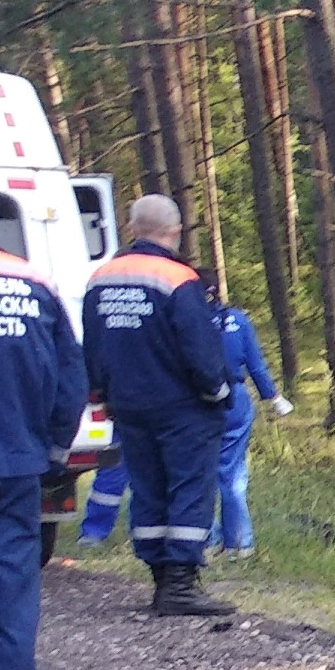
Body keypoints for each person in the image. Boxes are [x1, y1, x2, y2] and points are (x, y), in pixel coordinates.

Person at [0, 170, 87, 670]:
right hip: (11, 477)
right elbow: (68, 378)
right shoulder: (31, 282)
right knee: (5, 624)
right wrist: (49, 456)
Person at [81, 194, 235, 616]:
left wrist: (100, 393)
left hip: (128, 406)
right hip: (181, 407)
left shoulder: (101, 278)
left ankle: (160, 582)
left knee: (147, 489)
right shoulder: (179, 279)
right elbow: (199, 348)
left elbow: (92, 344)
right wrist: (219, 393)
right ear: (176, 232)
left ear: (132, 228)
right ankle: (181, 586)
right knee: (188, 488)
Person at [203, 278, 293, 558]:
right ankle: (240, 543)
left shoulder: (186, 322)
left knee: (198, 472)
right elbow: (256, 363)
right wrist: (274, 398)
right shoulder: (238, 319)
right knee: (231, 473)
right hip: (236, 399)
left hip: (199, 401)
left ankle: (208, 540)